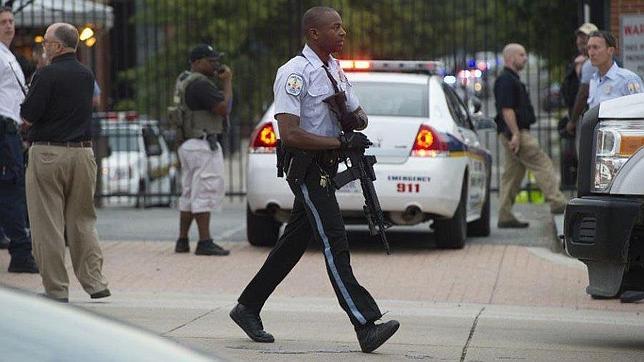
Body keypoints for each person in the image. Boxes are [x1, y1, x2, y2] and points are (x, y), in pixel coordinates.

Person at [229, 6, 399, 353]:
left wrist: (349, 115)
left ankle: (247, 307)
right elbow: (290, 133)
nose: (343, 32)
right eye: (335, 27)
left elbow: (360, 117)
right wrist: (339, 140)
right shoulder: (294, 73)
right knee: (335, 240)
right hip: (306, 168)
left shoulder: (335, 69)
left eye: (342, 26)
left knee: (292, 243)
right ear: (313, 34)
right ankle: (365, 323)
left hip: (327, 165)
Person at [21, 22, 110, 303]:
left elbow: (29, 114)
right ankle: (95, 282)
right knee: (82, 219)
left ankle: (57, 289)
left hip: (48, 152)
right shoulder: (86, 75)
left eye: (46, 42)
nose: (43, 47)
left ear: (58, 46)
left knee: (47, 223)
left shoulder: (45, 75)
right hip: (83, 153)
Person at [494, 43, 568, 229]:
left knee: (512, 175)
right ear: (510, 58)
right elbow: (507, 110)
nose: (525, 58)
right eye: (521, 55)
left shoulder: (510, 78)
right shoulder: (506, 80)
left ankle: (504, 214)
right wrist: (516, 134)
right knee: (542, 163)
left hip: (512, 133)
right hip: (518, 133)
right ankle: (558, 202)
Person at [172, 44, 232, 256]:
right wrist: (227, 83)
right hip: (202, 143)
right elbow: (223, 108)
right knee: (204, 191)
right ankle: (205, 242)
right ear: (197, 62)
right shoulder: (200, 84)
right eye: (210, 60)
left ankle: (182, 240)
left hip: (189, 143)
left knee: (189, 192)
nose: (215, 63)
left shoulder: (185, 80)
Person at [0, 6, 38, 273]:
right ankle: (21, 251)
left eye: (11, 21)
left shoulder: (8, 55)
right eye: (3, 22)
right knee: (11, 188)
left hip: (10, 127)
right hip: (3, 129)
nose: (9, 26)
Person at [585, 31, 642, 109]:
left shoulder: (627, 79)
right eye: (589, 48)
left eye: (595, 47)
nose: (591, 53)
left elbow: (640, 110)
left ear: (610, 51)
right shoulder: (594, 80)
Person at [564, 23, 598, 135]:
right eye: (579, 37)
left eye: (585, 37)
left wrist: (573, 120)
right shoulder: (579, 62)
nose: (580, 40)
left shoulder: (590, 64)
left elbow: (583, 93)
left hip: (588, 116)